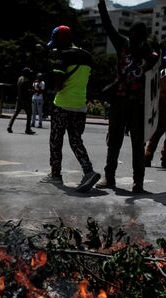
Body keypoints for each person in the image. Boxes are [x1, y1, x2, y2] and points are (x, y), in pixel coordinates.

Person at [95, 0, 159, 193]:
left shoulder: (148, 51)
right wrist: (101, 7)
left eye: (137, 37)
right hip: (118, 101)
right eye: (132, 36)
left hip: (138, 104)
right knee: (113, 141)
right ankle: (109, 176)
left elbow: (156, 61)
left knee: (138, 144)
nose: (133, 39)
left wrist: (149, 56)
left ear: (142, 38)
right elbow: (108, 26)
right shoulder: (122, 44)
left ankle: (138, 181)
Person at [39, 25, 101, 192]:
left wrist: (52, 79)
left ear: (62, 40)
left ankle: (56, 175)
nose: (56, 47)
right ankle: (88, 171)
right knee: (75, 140)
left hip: (62, 105)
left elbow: (59, 86)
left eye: (56, 43)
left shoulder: (63, 56)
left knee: (56, 140)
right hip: (80, 106)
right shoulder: (87, 56)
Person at [8, 67, 35, 134]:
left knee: (15, 113)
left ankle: (9, 126)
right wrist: (32, 90)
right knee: (29, 114)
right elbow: (28, 90)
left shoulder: (20, 78)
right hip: (26, 100)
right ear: (27, 73)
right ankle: (27, 129)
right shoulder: (27, 80)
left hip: (19, 99)